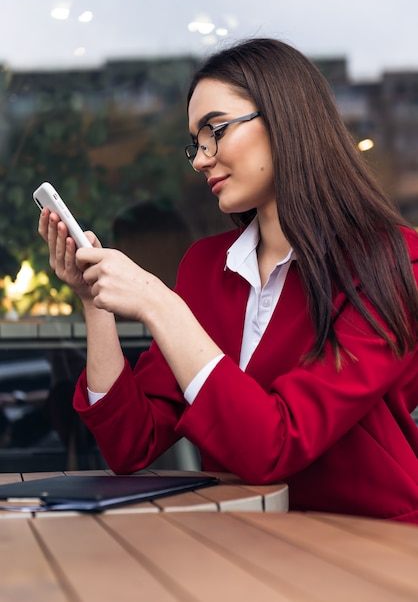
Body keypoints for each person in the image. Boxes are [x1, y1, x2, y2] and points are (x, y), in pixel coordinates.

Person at [38, 37, 418, 523]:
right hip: (242, 542)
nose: (200, 158)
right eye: (195, 142)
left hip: (371, 550)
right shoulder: (205, 266)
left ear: (285, 119)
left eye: (214, 130)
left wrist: (159, 304)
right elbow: (132, 443)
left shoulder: (389, 261)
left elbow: (275, 446)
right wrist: (95, 303)